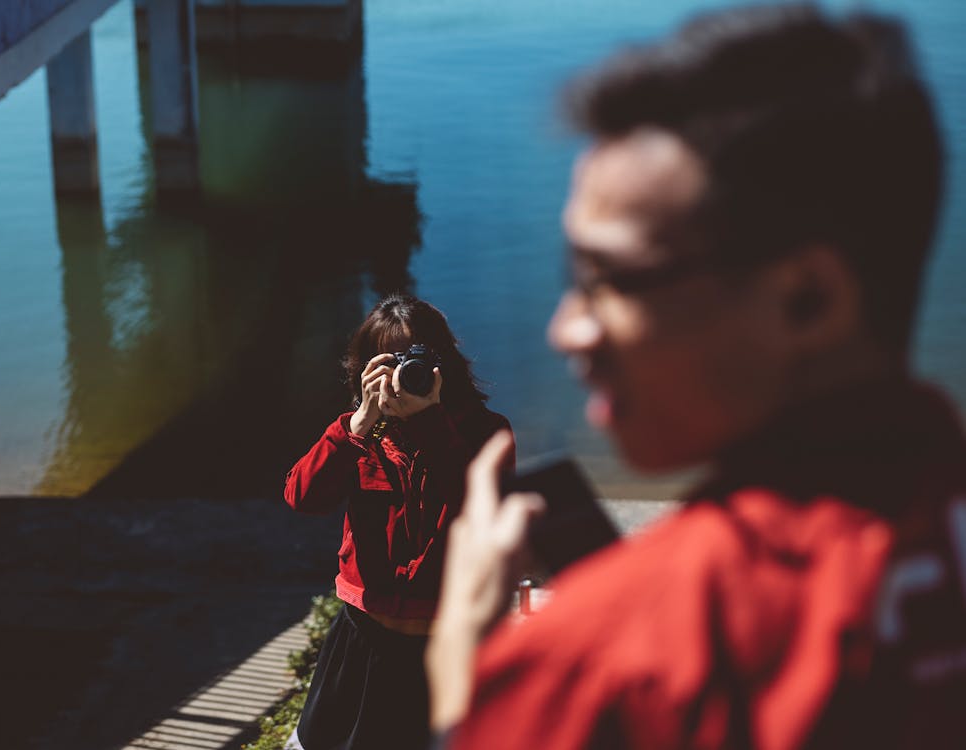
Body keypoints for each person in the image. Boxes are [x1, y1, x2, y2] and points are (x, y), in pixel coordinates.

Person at [427, 4, 966, 748]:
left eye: (605, 279)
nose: (565, 329)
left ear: (807, 300)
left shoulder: (606, 660)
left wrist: (467, 680)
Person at [284, 294, 512, 750]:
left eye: (419, 360)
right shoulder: (358, 434)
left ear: (443, 363)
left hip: (444, 641)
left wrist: (430, 422)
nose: (406, 376)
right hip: (363, 636)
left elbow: (483, 511)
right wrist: (358, 425)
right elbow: (302, 498)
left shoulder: (485, 431)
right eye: (389, 362)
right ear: (365, 370)